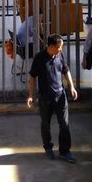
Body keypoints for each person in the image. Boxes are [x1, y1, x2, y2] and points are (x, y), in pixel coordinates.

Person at [27, 34, 78, 163]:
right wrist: (31, 95)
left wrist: (71, 87)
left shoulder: (60, 55)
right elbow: (32, 77)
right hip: (45, 98)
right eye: (59, 47)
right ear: (51, 46)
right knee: (46, 124)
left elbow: (66, 71)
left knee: (64, 125)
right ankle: (48, 147)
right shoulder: (39, 58)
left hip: (60, 96)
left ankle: (65, 151)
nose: (61, 50)